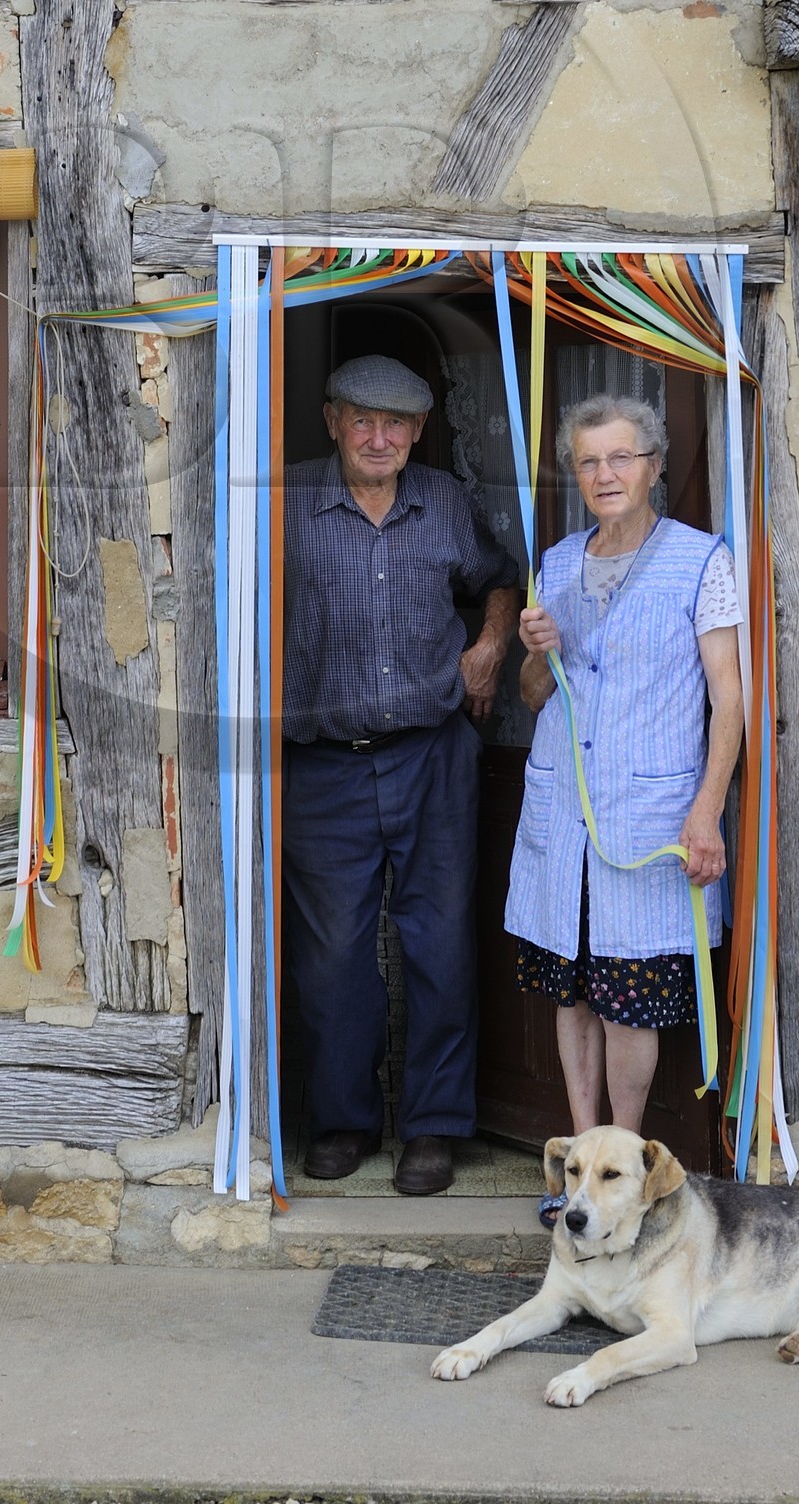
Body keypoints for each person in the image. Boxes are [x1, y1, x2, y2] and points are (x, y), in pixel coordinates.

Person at [283, 354, 520, 1197]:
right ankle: (343, 1119)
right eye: (362, 420)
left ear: (419, 431)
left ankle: (433, 1126)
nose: (378, 438)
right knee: (331, 958)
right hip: (321, 764)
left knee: (441, 942)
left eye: (396, 424)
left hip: (432, 755)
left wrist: (490, 646)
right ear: (332, 421)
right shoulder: (286, 503)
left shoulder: (444, 501)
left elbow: (499, 580)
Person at [506, 392, 743, 1189]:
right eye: (588, 462)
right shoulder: (557, 563)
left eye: (620, 458)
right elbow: (535, 694)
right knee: (572, 992)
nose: (604, 474)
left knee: (628, 996)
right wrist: (537, 651)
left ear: (654, 466)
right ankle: (581, 1161)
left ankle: (623, 1167)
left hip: (650, 818)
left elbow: (729, 698)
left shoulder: (701, 561)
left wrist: (706, 811)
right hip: (563, 818)